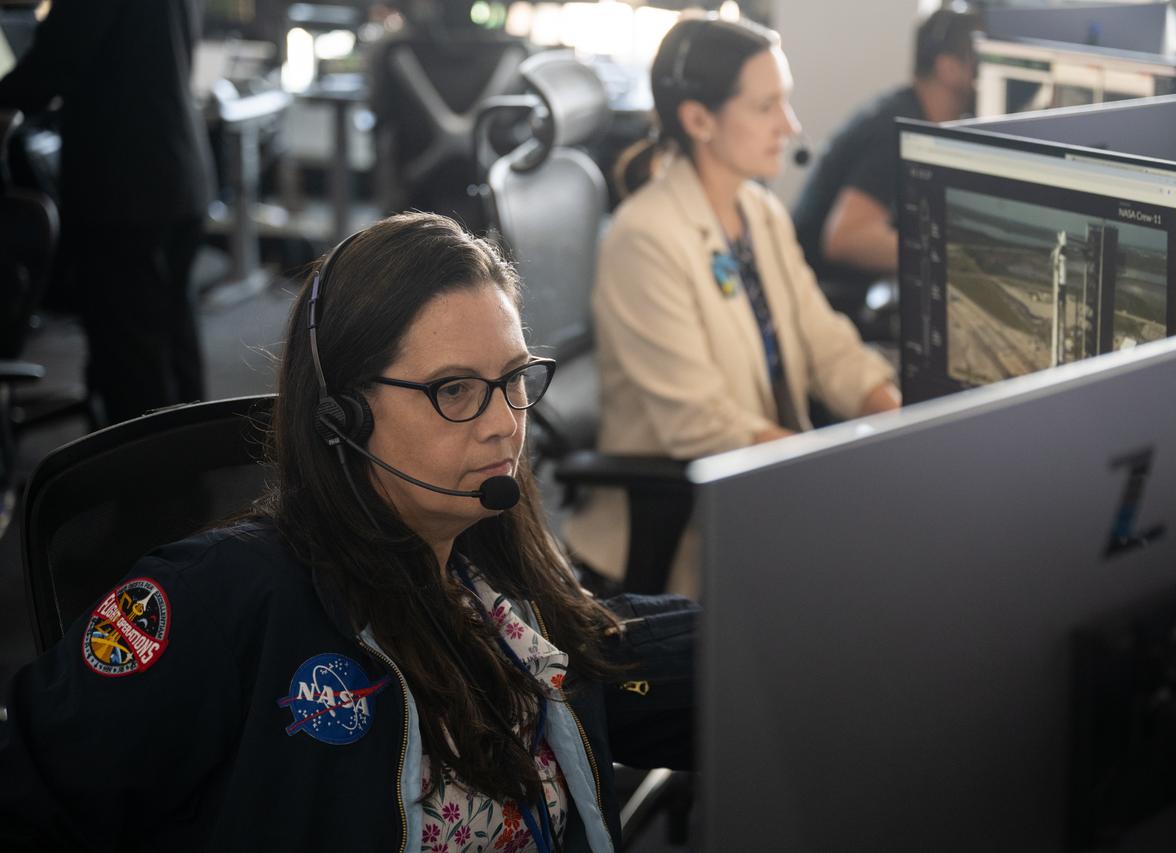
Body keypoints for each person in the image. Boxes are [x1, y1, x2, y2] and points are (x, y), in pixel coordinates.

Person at [0, 213, 694, 852]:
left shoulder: (491, 572)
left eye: (513, 378)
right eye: (454, 389)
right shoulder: (217, 599)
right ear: (343, 414)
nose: (503, 422)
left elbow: (599, 654)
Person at [564, 15, 900, 598]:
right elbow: (701, 422)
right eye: (767, 107)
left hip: (764, 486)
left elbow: (825, 341)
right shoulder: (645, 237)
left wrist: (894, 417)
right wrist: (832, 468)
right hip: (688, 526)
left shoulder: (758, 212)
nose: (790, 125)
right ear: (699, 120)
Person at [0, 0, 214, 424]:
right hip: (179, 169)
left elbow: (55, 61)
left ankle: (143, 462)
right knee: (173, 330)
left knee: (131, 350)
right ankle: (195, 452)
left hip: (126, 184)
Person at [791, 8, 979, 326]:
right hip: (826, 307)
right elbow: (846, 238)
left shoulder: (911, 111)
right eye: (979, 64)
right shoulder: (896, 131)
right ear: (948, 68)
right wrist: (956, 260)